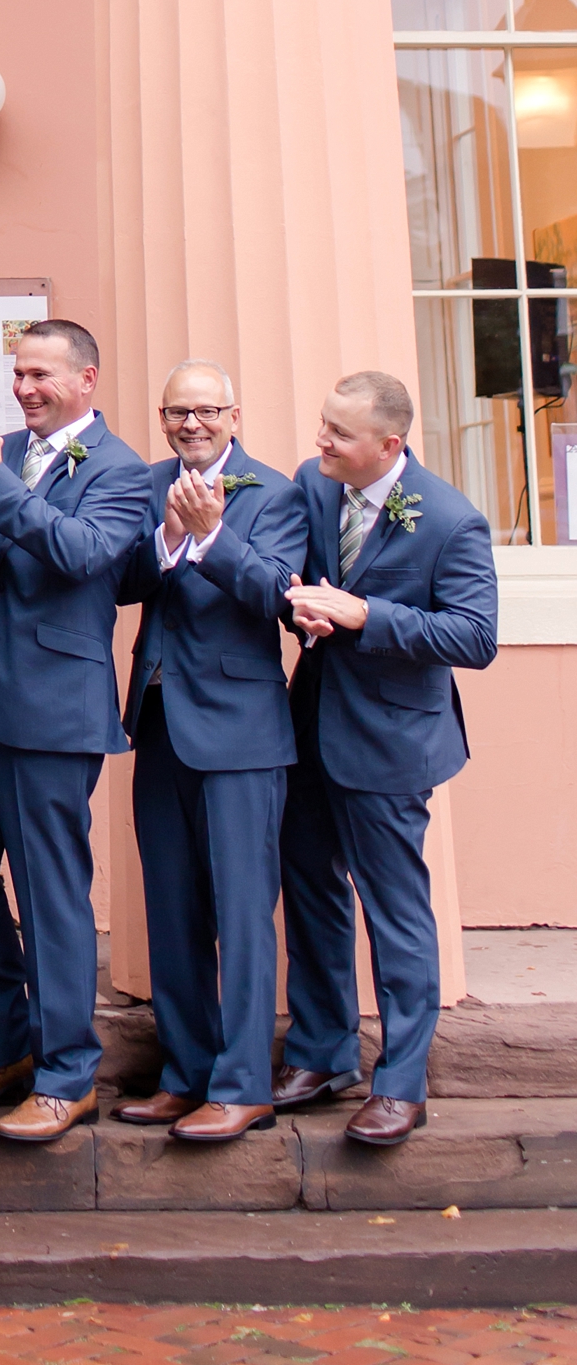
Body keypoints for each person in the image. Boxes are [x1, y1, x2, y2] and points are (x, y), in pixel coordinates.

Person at [0, 317, 151, 1144]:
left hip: (54, 710)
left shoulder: (122, 471)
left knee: (51, 893)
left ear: (86, 380)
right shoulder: (10, 457)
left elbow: (82, 555)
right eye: (18, 374)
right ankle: (5, 1048)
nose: (24, 388)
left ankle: (66, 1075)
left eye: (41, 376)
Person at [274, 368, 499, 1147]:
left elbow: (474, 638)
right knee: (308, 893)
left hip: (393, 740)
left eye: (339, 433)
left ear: (389, 445)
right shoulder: (314, 482)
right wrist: (297, 604)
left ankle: (402, 1081)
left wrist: (368, 614)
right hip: (306, 729)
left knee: (397, 912)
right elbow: (292, 575)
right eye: (323, 424)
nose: (320, 441)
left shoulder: (450, 520)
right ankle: (322, 1053)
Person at [113, 358, 309, 1144]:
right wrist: (165, 535)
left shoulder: (276, 491)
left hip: (240, 728)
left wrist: (211, 536)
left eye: (204, 411)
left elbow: (277, 595)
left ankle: (242, 1083)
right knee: (172, 907)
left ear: (234, 414)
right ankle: (184, 1074)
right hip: (158, 717)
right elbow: (120, 579)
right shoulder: (151, 480)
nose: (189, 425)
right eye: (175, 413)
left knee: (241, 911)